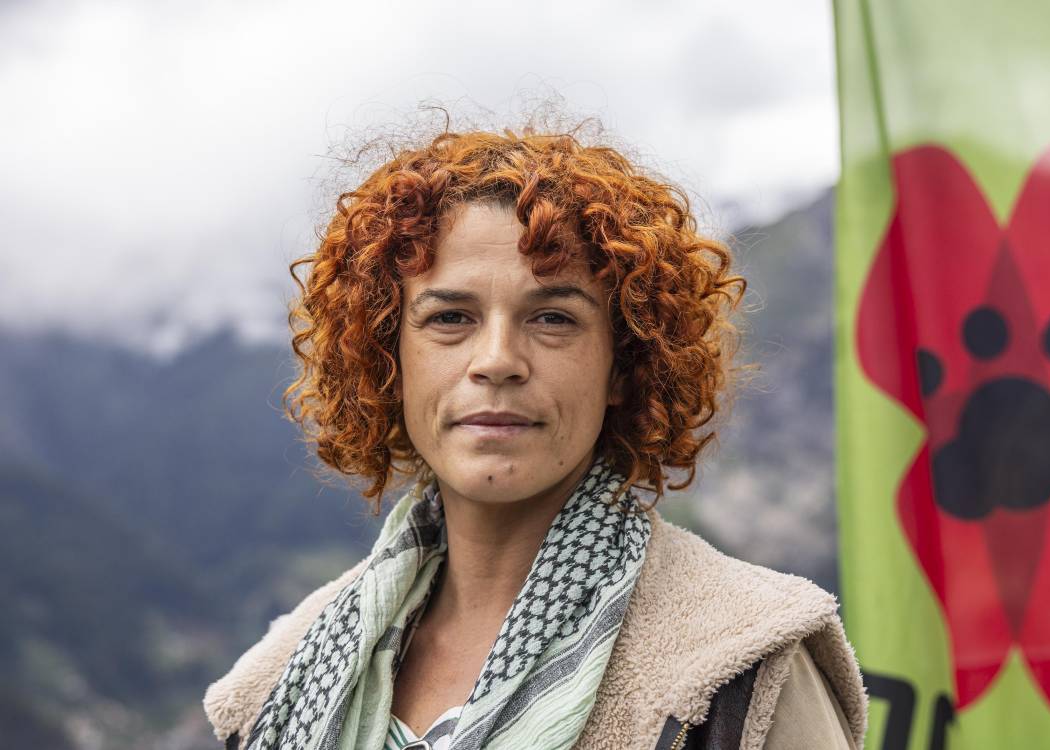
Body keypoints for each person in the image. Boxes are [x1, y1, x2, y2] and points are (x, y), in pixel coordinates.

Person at [201, 129, 866, 750]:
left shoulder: (742, 661)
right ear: (388, 360)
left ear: (623, 365)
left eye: (552, 317)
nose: (497, 360)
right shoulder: (275, 682)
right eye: (450, 317)